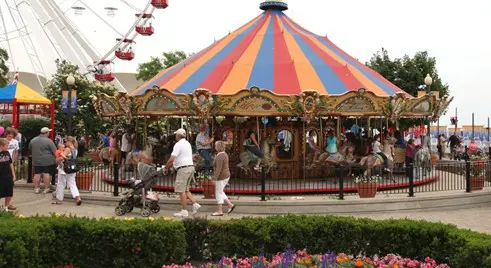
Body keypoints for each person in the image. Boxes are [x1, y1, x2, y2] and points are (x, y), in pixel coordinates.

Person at [163, 128, 201, 217]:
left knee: (181, 190)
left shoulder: (178, 144)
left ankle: (184, 211)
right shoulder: (187, 143)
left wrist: (166, 167)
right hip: (190, 167)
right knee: (185, 189)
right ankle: (195, 204)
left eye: (176, 135)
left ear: (177, 136)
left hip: (183, 169)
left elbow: (172, 159)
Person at [52, 136, 82, 206]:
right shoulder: (75, 149)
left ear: (70, 142)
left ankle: (59, 200)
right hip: (72, 169)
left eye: (66, 141)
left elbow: (62, 158)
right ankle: (78, 198)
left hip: (64, 169)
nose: (65, 143)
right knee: (72, 184)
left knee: (61, 184)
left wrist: (57, 159)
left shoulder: (67, 149)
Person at [29, 127, 57, 194]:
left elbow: (30, 148)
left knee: (37, 173)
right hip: (47, 160)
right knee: (46, 173)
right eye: (48, 132)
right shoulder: (49, 141)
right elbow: (55, 151)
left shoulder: (33, 140)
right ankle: (46, 188)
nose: (49, 133)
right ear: (46, 133)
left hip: (36, 160)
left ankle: (36, 188)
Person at [211, 141, 235, 216]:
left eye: (215, 146)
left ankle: (220, 211)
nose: (215, 147)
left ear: (218, 147)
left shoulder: (220, 156)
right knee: (220, 192)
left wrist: (214, 178)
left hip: (221, 177)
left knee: (218, 193)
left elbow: (219, 168)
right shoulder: (224, 154)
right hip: (225, 176)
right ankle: (230, 204)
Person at [0, 138, 15, 212]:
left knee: (9, 191)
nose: (7, 147)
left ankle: (6, 206)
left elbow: (10, 163)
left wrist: (13, 174)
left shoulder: (7, 152)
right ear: (1, 146)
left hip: (8, 175)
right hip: (1, 176)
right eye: (6, 145)